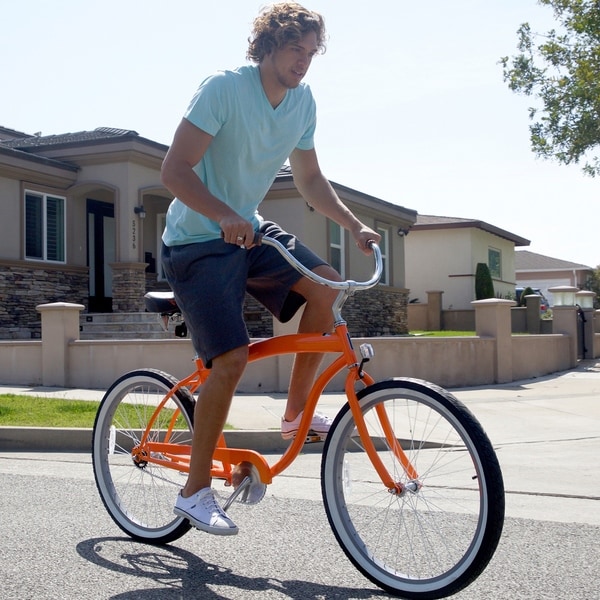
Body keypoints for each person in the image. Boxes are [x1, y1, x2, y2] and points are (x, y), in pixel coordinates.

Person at [160, 2, 380, 536]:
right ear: (268, 46)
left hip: (250, 232)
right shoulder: (224, 89)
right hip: (196, 242)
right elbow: (174, 169)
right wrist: (224, 215)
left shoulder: (302, 103)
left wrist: (354, 224)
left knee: (327, 288)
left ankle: (295, 416)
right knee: (230, 360)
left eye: (310, 52)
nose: (303, 62)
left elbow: (309, 178)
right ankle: (193, 494)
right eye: (293, 49)